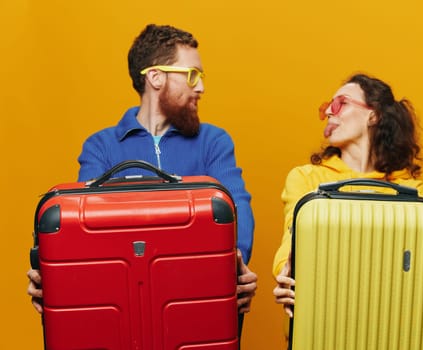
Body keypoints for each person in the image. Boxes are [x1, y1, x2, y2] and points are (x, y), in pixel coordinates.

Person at [27, 23, 257, 338]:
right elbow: (81, 226)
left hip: (196, 303)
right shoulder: (101, 147)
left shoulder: (213, 141)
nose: (200, 87)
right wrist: (55, 277)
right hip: (124, 312)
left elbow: (236, 205)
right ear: (156, 77)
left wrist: (233, 262)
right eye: (192, 75)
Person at [272, 73, 423, 332]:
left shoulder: (412, 191)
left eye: (341, 103)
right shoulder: (307, 178)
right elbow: (292, 237)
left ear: (373, 115)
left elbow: (422, 261)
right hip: (323, 321)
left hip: (390, 327)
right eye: (327, 107)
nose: (329, 113)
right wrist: (286, 271)